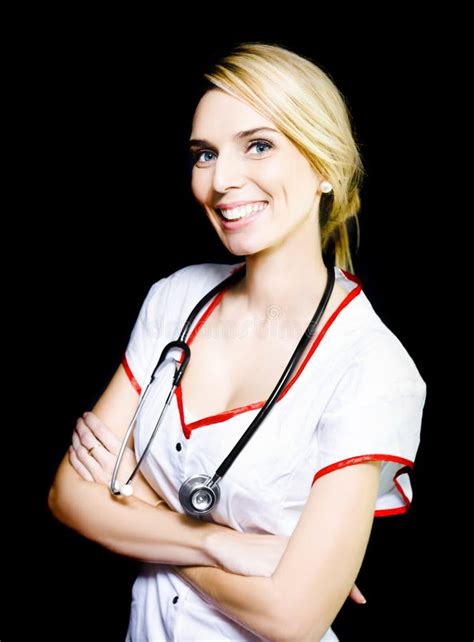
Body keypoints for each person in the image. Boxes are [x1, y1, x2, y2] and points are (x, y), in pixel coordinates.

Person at [48, 42, 427, 641]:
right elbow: (70, 495)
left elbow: (293, 617)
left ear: (325, 165)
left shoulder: (372, 368)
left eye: (259, 145)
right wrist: (225, 544)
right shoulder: (175, 300)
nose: (222, 180)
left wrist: (139, 502)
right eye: (204, 154)